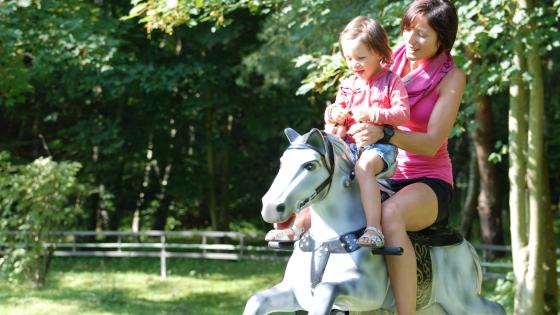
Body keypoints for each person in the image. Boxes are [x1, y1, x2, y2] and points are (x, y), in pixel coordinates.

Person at [267, 1, 465, 313]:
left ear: (442, 39)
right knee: (328, 197)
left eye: (423, 35)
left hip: (426, 179)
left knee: (390, 216)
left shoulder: (451, 78)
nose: (411, 41)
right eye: (408, 31)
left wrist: (385, 133)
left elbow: (430, 143)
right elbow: (350, 97)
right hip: (376, 174)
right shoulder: (384, 61)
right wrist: (336, 116)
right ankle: (303, 270)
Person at [324, 16, 409, 248]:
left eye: (361, 58)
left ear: (380, 53)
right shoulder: (348, 85)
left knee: (364, 167)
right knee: (322, 165)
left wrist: (374, 114)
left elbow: (403, 114)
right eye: (349, 58)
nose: (354, 64)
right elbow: (333, 110)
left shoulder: (392, 81)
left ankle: (374, 228)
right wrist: (333, 114)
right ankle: (300, 222)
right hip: (350, 146)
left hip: (380, 149)